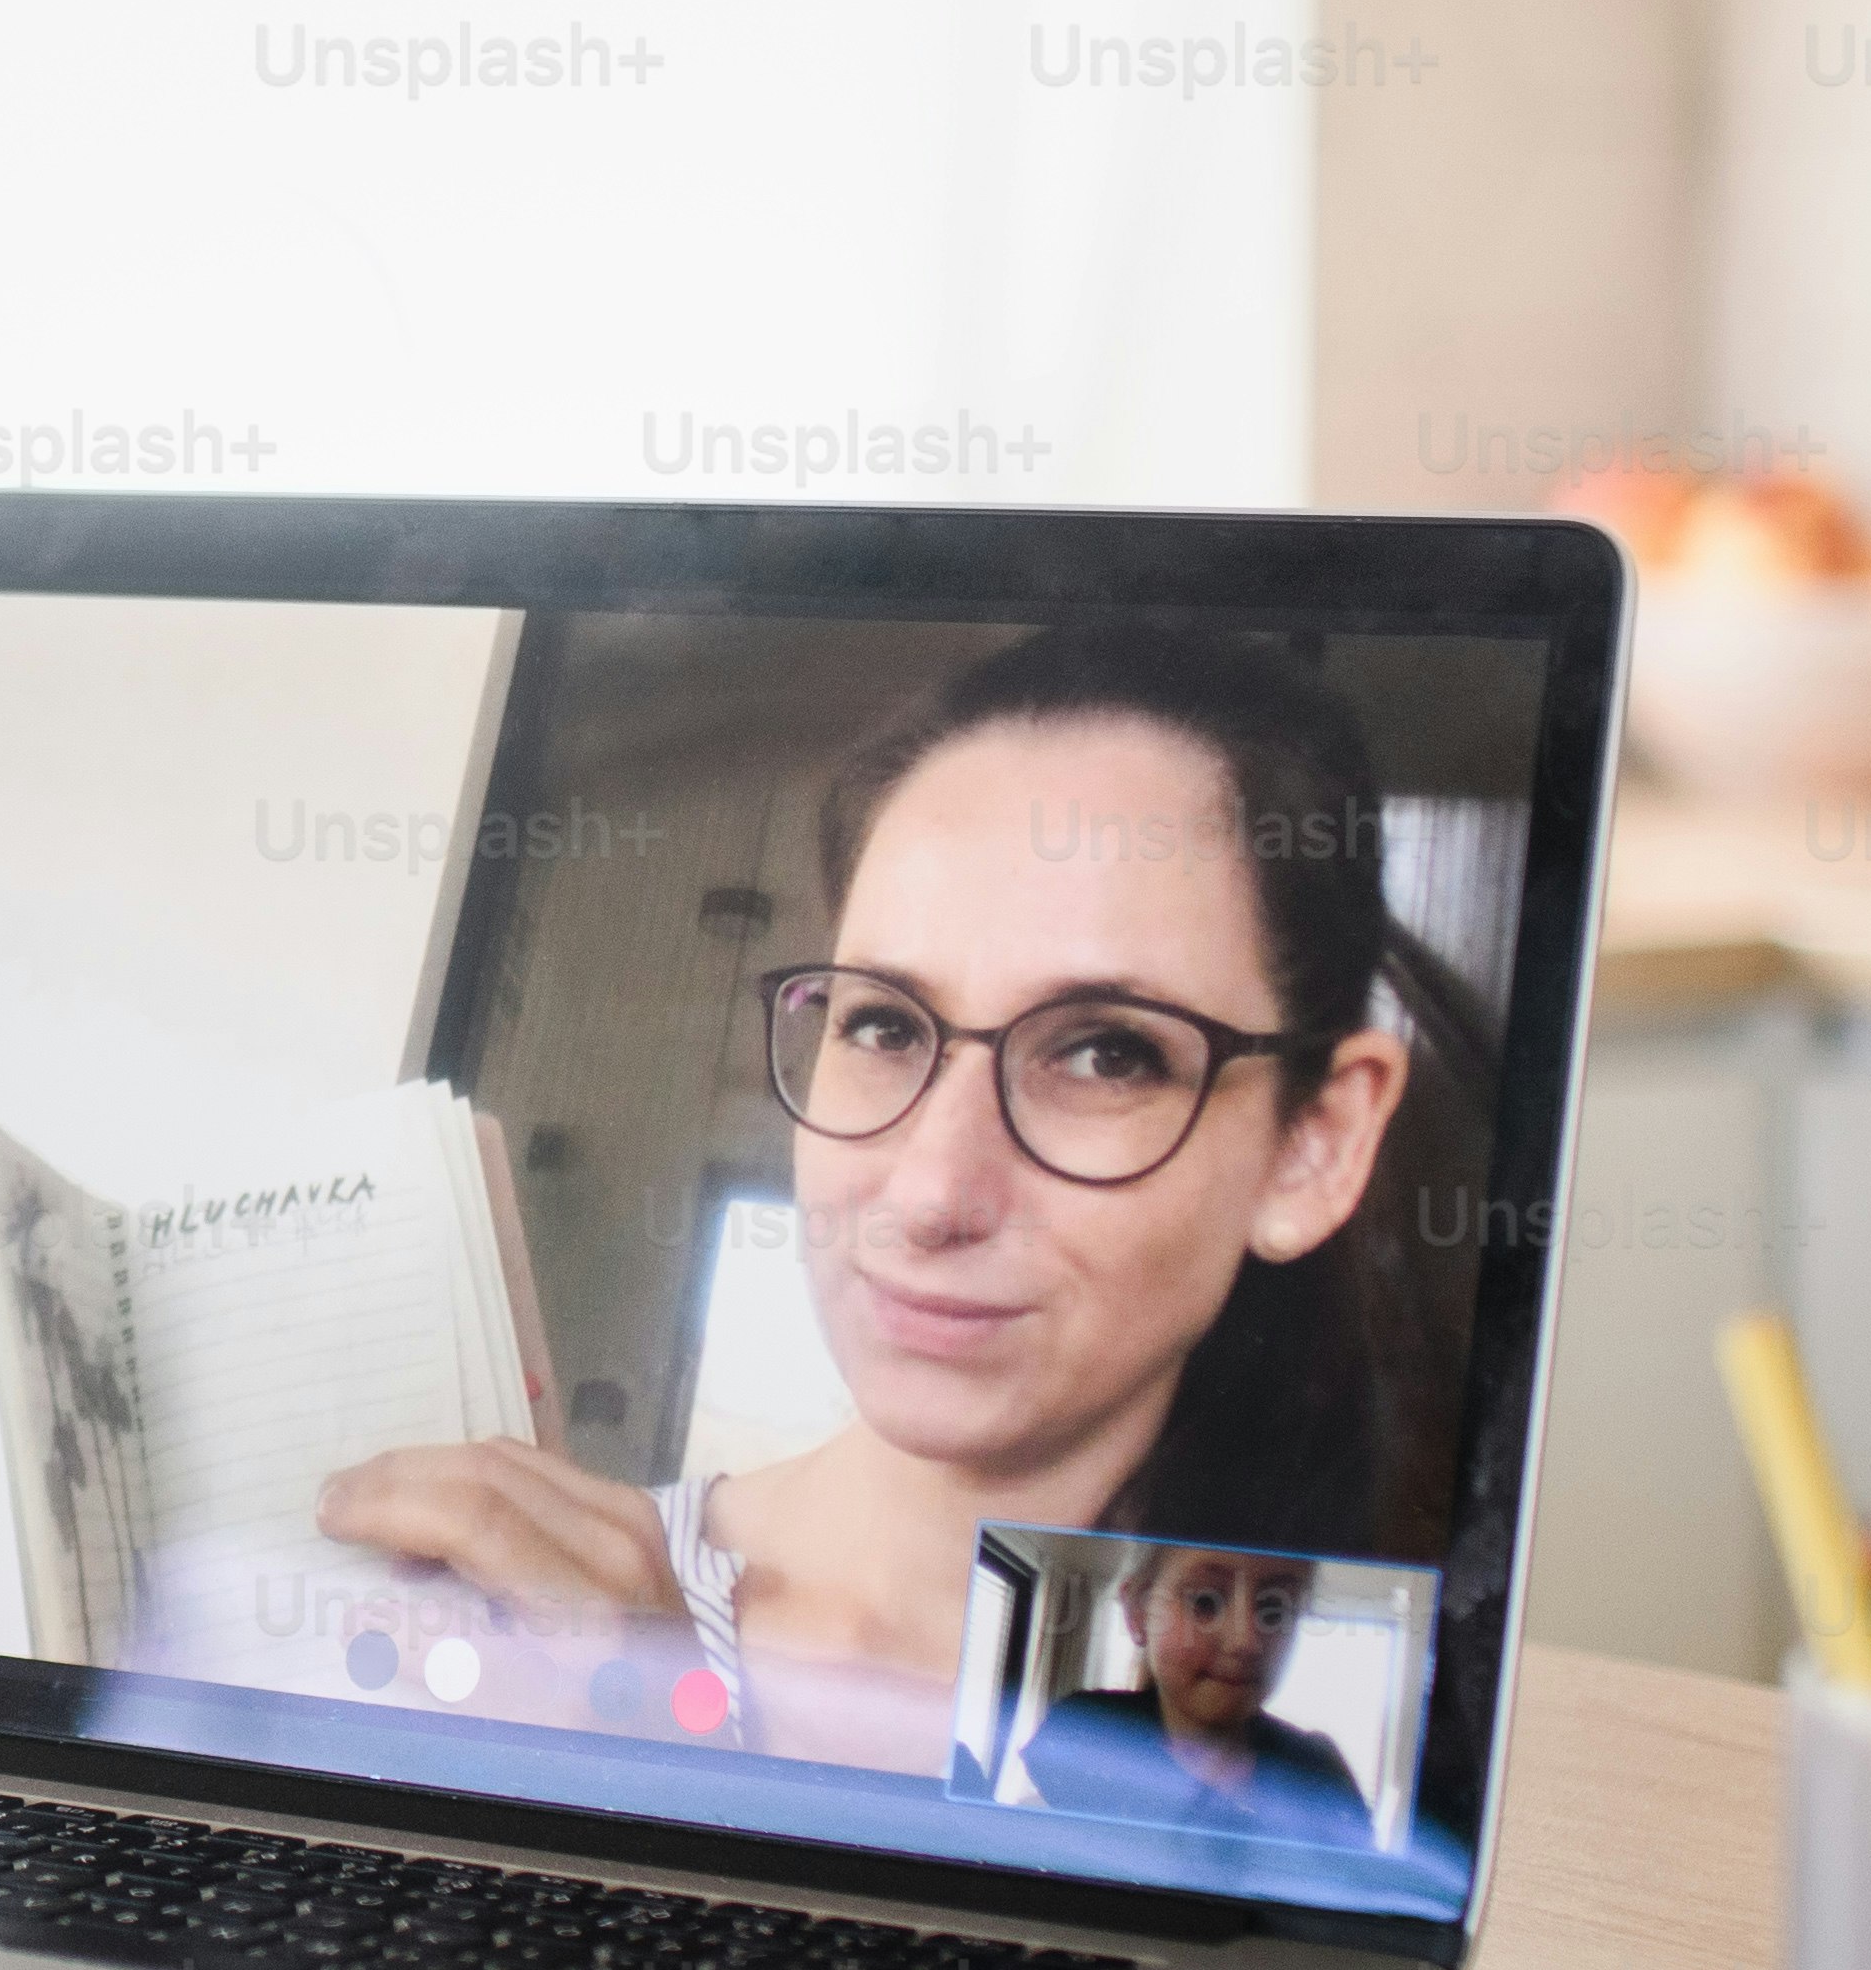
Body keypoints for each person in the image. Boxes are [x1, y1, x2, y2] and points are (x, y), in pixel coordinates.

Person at [322, 620, 1492, 1770]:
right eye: (882, 1026)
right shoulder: (508, 1636)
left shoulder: (1363, 1746)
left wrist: (676, 1765)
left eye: (1104, 1054)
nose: (932, 1194)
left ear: (1311, 1147)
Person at [979, 1545, 1390, 1849]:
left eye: (1274, 1610)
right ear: (1139, 1612)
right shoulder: (1084, 1734)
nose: (1245, 1641)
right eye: (1205, 1602)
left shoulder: (1319, 1772)